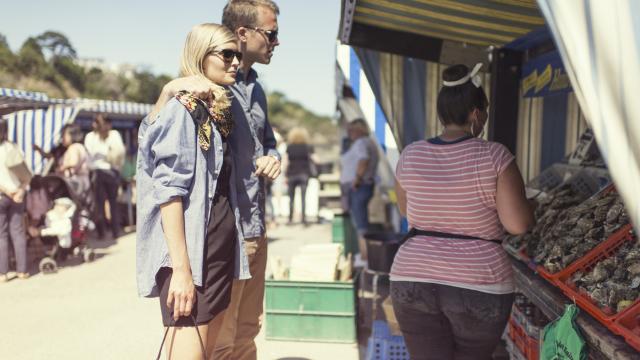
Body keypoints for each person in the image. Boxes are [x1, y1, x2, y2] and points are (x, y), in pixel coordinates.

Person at [151, 2, 282, 358]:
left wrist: (274, 156)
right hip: (222, 232)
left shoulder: (255, 90)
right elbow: (163, 171)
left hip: (251, 227)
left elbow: (266, 142)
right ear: (243, 33)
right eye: (271, 33)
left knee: (246, 331)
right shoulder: (199, 94)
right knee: (217, 339)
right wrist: (170, 89)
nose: (276, 42)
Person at [390, 64, 535, 360]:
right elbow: (518, 224)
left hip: (412, 277)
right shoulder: (494, 155)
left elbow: (407, 211)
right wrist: (531, 206)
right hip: (478, 282)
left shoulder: (410, 154)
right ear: (476, 114)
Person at [136, 23, 249, 359]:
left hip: (216, 250)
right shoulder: (183, 111)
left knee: (204, 351)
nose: (235, 63)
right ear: (201, 56)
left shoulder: (216, 113)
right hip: (194, 257)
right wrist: (181, 271)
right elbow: (169, 192)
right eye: (227, 54)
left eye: (238, 55)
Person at [339, 118, 379, 259]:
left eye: (352, 129)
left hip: (359, 186)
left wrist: (357, 179)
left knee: (360, 223)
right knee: (360, 221)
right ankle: (364, 255)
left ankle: (365, 256)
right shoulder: (366, 142)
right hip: (362, 185)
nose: (349, 133)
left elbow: (364, 159)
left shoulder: (361, 142)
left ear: (360, 130)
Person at [84, 114, 125, 239]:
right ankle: (115, 231)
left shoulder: (91, 137)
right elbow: (120, 153)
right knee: (112, 203)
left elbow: (89, 156)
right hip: (112, 172)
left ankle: (102, 232)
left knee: (100, 204)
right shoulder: (113, 135)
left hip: (98, 173)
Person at [0, 119, 30, 282]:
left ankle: (3, 273)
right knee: (18, 233)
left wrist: (7, 192)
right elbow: (27, 174)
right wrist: (20, 191)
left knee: (1, 235)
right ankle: (22, 271)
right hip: (18, 195)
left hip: (3, 196)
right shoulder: (13, 148)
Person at [285, 127, 314, 225]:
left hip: (292, 174)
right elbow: (314, 158)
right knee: (303, 197)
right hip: (304, 174)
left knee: (291, 198)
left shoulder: (289, 147)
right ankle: (303, 219)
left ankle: (290, 219)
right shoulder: (307, 146)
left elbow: (286, 162)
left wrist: (285, 174)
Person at [56, 124, 90, 198]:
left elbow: (72, 162)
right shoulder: (80, 146)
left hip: (74, 184)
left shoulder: (74, 147)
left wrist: (60, 169)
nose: (62, 138)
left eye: (63, 135)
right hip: (81, 183)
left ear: (72, 135)